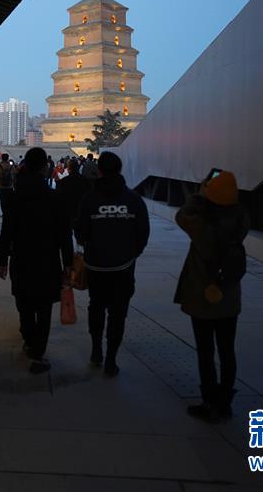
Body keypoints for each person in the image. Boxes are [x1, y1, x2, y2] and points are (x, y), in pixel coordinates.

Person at [175, 170, 249, 422]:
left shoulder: (201, 223)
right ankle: (225, 402)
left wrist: (200, 193)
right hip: (229, 296)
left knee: (205, 351)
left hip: (203, 296)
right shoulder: (240, 219)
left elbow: (182, 215)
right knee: (227, 350)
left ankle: (209, 401)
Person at [0, 148, 72, 374]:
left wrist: (2, 259)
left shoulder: (15, 197)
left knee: (24, 302)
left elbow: (7, 231)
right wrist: (68, 262)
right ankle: (38, 351)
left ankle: (29, 340)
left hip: (21, 258)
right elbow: (64, 234)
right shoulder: (54, 198)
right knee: (44, 307)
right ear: (44, 168)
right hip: (48, 260)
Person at [74, 152, 149, 377]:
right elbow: (143, 233)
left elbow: (80, 232)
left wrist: (91, 246)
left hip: (96, 266)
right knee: (118, 313)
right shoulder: (133, 200)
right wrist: (131, 254)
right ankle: (111, 359)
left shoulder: (89, 200)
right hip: (123, 267)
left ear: (99, 171)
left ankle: (96, 350)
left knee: (96, 306)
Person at [55, 158, 90, 229]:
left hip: (67, 213)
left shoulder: (63, 182)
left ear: (68, 169)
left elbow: (59, 199)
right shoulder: (86, 181)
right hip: (82, 213)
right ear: (78, 167)